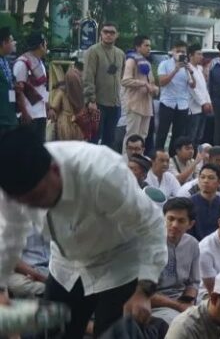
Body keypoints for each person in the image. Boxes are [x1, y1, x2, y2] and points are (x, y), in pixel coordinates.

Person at [0, 127, 166, 338]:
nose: (34, 205)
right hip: (66, 263)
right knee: (51, 331)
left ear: (55, 170)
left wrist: (143, 290)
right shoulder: (8, 188)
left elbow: (151, 225)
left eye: (38, 196)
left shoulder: (102, 172)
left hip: (118, 262)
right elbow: (8, 237)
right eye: (26, 203)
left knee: (111, 333)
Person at [151, 198, 200, 326]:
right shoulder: (149, 244)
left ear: (190, 224)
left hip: (183, 301)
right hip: (156, 306)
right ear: (163, 218)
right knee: (184, 324)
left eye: (181, 220)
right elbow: (143, 293)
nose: (174, 225)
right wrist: (178, 306)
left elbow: (193, 282)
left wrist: (188, 301)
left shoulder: (192, 244)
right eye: (170, 219)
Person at [83, 22, 125, 145]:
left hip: (115, 103)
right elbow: (88, 76)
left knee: (110, 140)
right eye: (105, 32)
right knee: (94, 139)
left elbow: (121, 76)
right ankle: (91, 164)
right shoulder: (93, 51)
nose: (108, 35)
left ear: (117, 35)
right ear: (101, 33)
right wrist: (91, 100)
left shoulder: (120, 53)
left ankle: (105, 164)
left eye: (112, 32)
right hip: (97, 104)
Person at [156, 41, 196, 155]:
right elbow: (162, 82)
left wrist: (190, 71)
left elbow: (193, 85)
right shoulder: (164, 64)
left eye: (183, 52)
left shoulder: (187, 66)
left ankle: (173, 158)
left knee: (178, 135)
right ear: (172, 52)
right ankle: (157, 156)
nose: (180, 54)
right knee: (162, 132)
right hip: (167, 103)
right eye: (178, 51)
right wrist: (176, 69)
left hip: (182, 104)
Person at [120, 35, 158, 148]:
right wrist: (144, 84)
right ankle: (127, 162)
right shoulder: (131, 61)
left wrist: (155, 89)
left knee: (143, 137)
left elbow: (152, 83)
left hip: (147, 105)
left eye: (150, 46)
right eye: (146, 45)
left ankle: (138, 162)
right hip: (134, 104)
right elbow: (125, 81)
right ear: (137, 47)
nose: (149, 48)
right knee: (132, 136)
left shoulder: (147, 63)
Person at [13, 32, 51, 141]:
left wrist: (47, 106)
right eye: (45, 43)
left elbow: (43, 87)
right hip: (29, 115)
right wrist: (24, 112)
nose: (46, 46)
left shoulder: (39, 62)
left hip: (40, 113)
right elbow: (18, 90)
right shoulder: (22, 64)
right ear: (41, 45)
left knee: (38, 150)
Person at [187, 164, 220, 240]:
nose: (205, 181)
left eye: (211, 178)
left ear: (219, 182)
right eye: (202, 177)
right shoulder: (189, 204)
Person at [50, 57, 86, 141]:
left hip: (78, 123)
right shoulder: (62, 91)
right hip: (65, 124)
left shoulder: (83, 91)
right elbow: (54, 107)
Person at [186, 43, 212, 147]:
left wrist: (209, 102)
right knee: (191, 136)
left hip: (203, 107)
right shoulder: (188, 69)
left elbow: (204, 88)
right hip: (193, 108)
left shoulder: (200, 69)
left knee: (199, 136)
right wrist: (203, 103)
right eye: (198, 54)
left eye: (201, 54)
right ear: (190, 55)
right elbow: (193, 89)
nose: (201, 57)